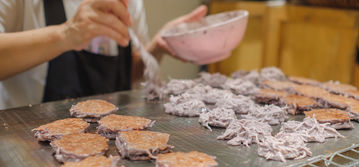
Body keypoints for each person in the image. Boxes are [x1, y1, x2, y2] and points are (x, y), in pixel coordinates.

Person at [0, 0, 207, 109]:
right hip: (29, 148)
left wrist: (156, 48)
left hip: (112, 145)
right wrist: (66, 34)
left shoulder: (129, 2)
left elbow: (128, 74)